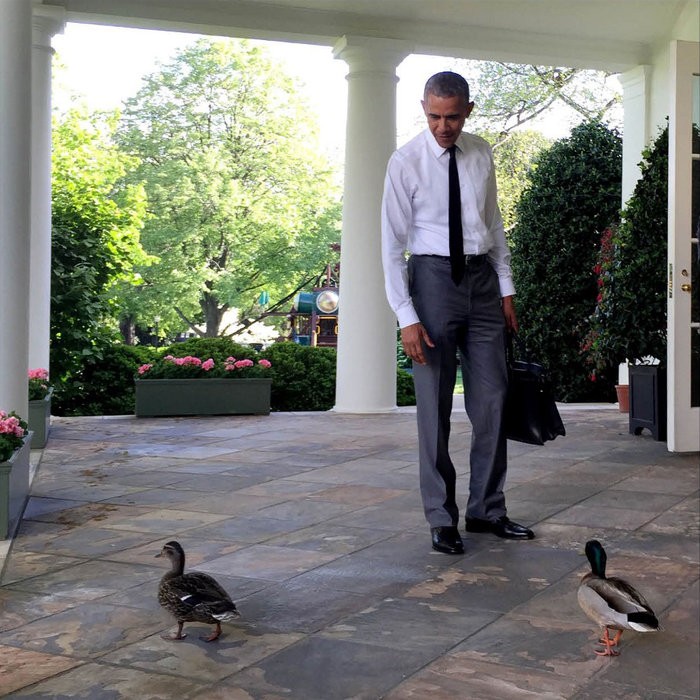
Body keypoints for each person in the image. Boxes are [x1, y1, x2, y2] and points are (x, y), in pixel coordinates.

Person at [381, 71, 534, 555]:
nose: (442, 127)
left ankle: (486, 509)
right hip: (431, 283)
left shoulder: (481, 152)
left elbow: (494, 222)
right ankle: (441, 517)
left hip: (482, 281)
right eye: (434, 116)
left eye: (451, 117)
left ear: (468, 109)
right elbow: (391, 245)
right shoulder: (405, 162)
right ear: (424, 109)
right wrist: (406, 316)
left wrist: (506, 287)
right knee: (434, 406)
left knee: (494, 398)